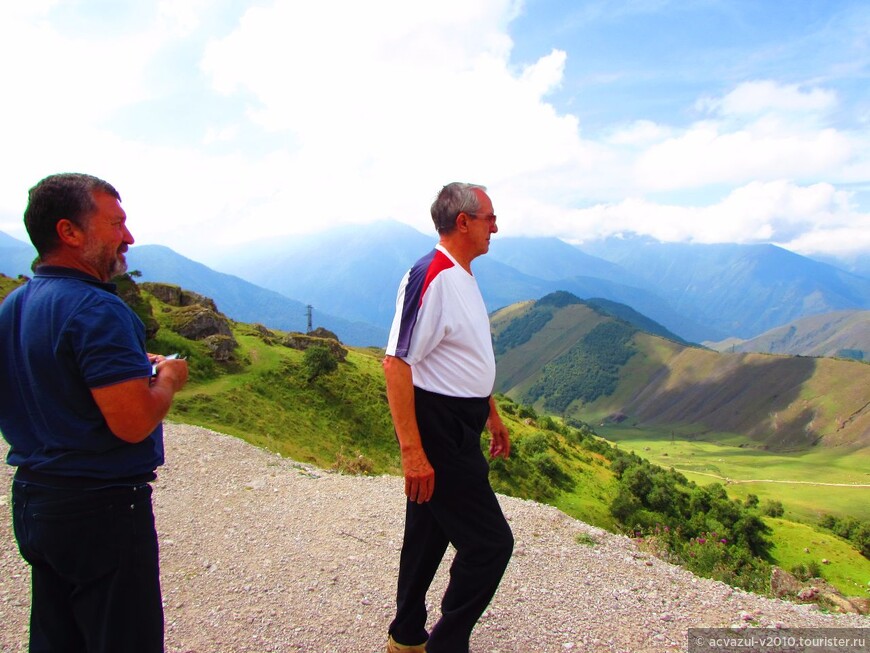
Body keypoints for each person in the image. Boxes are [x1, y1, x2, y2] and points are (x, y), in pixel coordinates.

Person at [0, 173, 189, 652]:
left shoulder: (16, 304)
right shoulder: (96, 309)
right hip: (99, 509)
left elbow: (44, 381)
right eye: (116, 224)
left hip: (35, 501)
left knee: (56, 637)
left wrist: (125, 373)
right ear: (70, 232)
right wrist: (167, 379)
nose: (128, 237)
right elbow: (132, 423)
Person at [383, 182, 514, 653]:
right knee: (490, 544)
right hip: (438, 425)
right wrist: (413, 451)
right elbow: (397, 362)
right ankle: (447, 643)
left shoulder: (461, 272)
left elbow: (463, 352)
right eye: (489, 218)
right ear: (463, 221)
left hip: (463, 418)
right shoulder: (432, 274)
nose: (496, 227)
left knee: (428, 532)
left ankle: (406, 635)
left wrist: (490, 412)